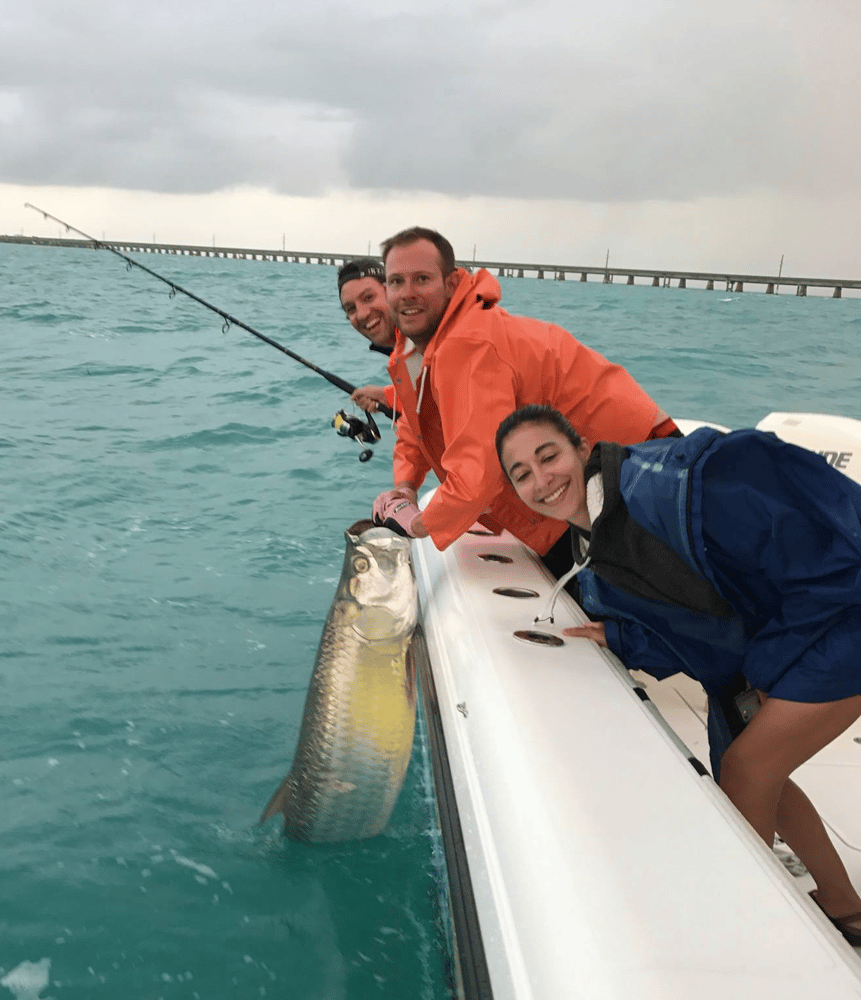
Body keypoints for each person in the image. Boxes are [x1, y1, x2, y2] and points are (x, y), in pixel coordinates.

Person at [495, 403, 861, 945]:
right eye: (521, 473)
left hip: (842, 616)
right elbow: (694, 623)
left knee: (744, 772)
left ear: (582, 448)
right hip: (791, 633)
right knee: (754, 772)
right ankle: (844, 907)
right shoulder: (596, 551)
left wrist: (767, 670)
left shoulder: (672, 484)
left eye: (548, 456)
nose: (541, 479)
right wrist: (621, 635)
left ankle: (757, 940)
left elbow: (828, 550)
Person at [368, 226, 678, 573]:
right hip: (592, 470)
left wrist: (417, 526)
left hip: (634, 468)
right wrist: (406, 488)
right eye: (396, 281)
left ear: (452, 283)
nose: (407, 293)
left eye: (422, 279)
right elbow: (417, 420)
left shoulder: (466, 344)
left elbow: (478, 474)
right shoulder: (421, 345)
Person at [336, 258, 395, 415]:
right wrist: (388, 397)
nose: (361, 315)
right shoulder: (407, 350)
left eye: (369, 297)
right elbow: (425, 402)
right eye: (350, 309)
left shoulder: (426, 346)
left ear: (391, 290)